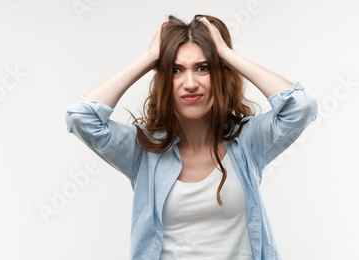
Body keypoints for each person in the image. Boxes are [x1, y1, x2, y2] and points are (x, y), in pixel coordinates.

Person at [65, 14, 318, 260]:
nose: (190, 83)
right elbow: (81, 117)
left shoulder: (248, 140)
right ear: (164, 78)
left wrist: (227, 55)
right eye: (176, 70)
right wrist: (150, 57)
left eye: (203, 68)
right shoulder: (144, 149)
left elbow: (300, 107)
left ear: (219, 73)